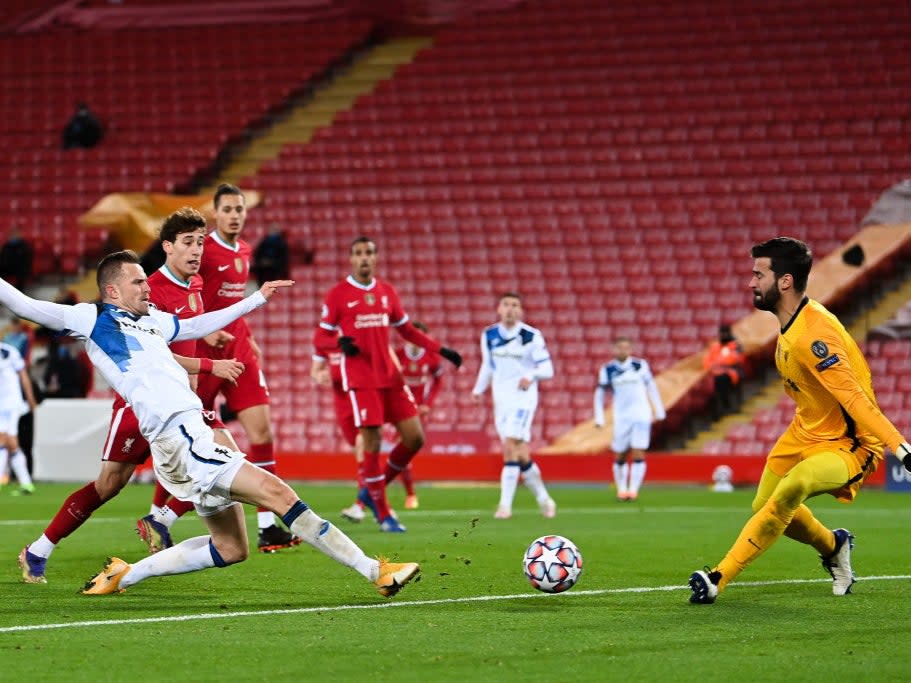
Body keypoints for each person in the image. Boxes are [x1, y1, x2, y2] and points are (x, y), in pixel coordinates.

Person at [6, 249, 419, 598]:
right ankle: (373, 571)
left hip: (190, 436)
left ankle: (126, 574)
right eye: (138, 283)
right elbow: (26, 305)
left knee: (231, 547)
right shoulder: (91, 318)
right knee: (277, 492)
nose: (147, 287)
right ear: (112, 290)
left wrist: (256, 299)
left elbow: (198, 325)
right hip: (178, 435)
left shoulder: (153, 321)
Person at [17, 208, 245, 583]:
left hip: (182, 404)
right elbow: (152, 353)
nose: (197, 251)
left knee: (221, 457)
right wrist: (207, 367)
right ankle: (41, 548)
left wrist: (210, 345)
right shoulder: (146, 289)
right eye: (188, 243)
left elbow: (178, 340)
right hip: (141, 405)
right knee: (109, 484)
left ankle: (160, 519)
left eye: (201, 243)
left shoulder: (195, 288)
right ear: (168, 248)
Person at [688, 237, 911, 604]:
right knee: (764, 506)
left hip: (849, 444)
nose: (750, 282)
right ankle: (834, 545)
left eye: (758, 274)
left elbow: (854, 397)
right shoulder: (791, 324)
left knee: (796, 485)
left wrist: (900, 448)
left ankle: (717, 577)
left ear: (785, 281)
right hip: (803, 432)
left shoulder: (814, 334)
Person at [312, 236, 462, 532]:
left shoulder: (387, 292)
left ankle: (370, 490)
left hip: (391, 377)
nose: (364, 258)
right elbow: (320, 338)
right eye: (358, 253)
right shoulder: (337, 295)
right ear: (351, 259)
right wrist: (338, 342)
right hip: (362, 379)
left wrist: (440, 349)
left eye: (369, 253)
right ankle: (384, 513)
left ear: (376, 258)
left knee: (415, 438)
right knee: (373, 442)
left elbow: (406, 329)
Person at [196, 184, 297, 552]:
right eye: (228, 209)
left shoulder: (244, 249)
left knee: (262, 431)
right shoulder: (201, 250)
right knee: (193, 431)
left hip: (237, 347)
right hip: (204, 348)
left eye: (240, 209)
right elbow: (186, 299)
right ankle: (160, 515)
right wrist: (204, 333)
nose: (235, 215)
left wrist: (247, 336)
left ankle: (268, 525)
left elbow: (235, 302)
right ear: (216, 213)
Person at [471, 292, 556, 519]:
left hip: (523, 400)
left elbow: (548, 369)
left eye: (515, 305)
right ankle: (545, 499)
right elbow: (488, 366)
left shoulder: (531, 336)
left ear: (520, 311)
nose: (510, 309)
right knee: (520, 454)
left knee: (509, 447)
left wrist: (531, 375)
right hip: (502, 401)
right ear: (499, 309)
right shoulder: (489, 335)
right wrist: (478, 389)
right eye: (506, 304)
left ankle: (504, 506)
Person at [594, 337, 666, 502]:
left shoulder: (640, 365)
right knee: (620, 454)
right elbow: (599, 394)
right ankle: (621, 489)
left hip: (641, 414)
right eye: (619, 347)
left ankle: (633, 490)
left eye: (626, 347)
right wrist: (599, 417)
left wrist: (659, 410)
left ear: (631, 349)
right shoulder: (608, 369)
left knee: (638, 451)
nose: (623, 351)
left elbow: (651, 387)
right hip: (621, 417)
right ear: (614, 349)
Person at [393, 321, 446, 509]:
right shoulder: (397, 355)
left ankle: (407, 493)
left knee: (404, 450)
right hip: (398, 407)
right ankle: (409, 494)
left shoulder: (431, 358)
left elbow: (439, 381)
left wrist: (427, 404)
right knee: (403, 450)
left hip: (417, 411)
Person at [0, 340, 37, 495]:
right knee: (9, 442)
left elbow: (23, 376)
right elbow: (23, 376)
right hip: (3, 404)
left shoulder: (9, 351)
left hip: (11, 404)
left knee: (5, 439)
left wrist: (30, 400)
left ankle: (7, 479)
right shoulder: (10, 351)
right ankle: (26, 483)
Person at [703, 324, 746, 418]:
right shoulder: (715, 346)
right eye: (722, 333)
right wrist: (715, 365)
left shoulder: (735, 345)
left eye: (725, 333)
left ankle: (729, 406)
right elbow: (707, 361)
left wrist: (719, 363)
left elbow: (736, 358)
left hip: (732, 372)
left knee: (722, 380)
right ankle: (719, 412)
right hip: (716, 373)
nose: (723, 336)